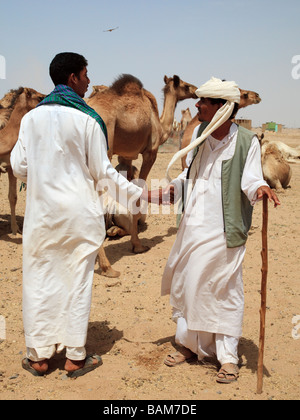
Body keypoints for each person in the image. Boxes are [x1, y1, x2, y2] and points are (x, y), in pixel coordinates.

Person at [10, 52, 158, 378]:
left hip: (42, 219)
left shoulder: (32, 119)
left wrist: (46, 172)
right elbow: (104, 174)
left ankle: (38, 357)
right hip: (78, 217)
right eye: (86, 75)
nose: (90, 81)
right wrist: (143, 195)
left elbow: (20, 166)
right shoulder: (88, 119)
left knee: (38, 282)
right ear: (74, 78)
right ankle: (76, 357)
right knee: (78, 283)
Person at [161, 77, 280, 383]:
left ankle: (228, 357)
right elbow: (191, 175)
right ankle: (189, 345)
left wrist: (261, 188)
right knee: (189, 284)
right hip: (193, 225)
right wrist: (165, 191)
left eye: (204, 101)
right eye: (198, 100)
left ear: (223, 108)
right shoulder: (199, 133)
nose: (197, 105)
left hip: (225, 229)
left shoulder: (246, 142)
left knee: (224, 290)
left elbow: (251, 179)